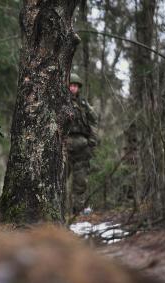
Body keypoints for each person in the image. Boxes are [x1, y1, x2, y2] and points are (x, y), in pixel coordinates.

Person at [66, 73, 98, 215]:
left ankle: (78, 212)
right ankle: (57, 211)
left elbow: (94, 122)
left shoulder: (84, 105)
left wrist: (92, 141)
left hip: (82, 147)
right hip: (64, 145)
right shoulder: (60, 102)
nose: (72, 88)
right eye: (70, 85)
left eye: (75, 86)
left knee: (80, 182)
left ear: (78, 88)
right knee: (59, 180)